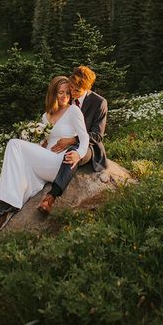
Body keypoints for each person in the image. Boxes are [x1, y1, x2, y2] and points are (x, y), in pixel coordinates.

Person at [0, 76, 89, 246]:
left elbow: (84, 139)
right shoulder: (45, 116)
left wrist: (78, 153)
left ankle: (6, 204)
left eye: (67, 93)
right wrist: (40, 142)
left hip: (58, 162)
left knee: (14, 145)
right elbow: (41, 146)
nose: (64, 96)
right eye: (60, 92)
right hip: (44, 162)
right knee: (19, 174)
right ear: (53, 94)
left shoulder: (74, 111)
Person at [37, 65, 108, 215]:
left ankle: (51, 196)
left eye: (78, 90)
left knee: (72, 153)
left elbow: (97, 135)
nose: (73, 93)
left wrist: (72, 140)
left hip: (89, 147)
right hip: (60, 145)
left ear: (88, 88)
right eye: (72, 88)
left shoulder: (99, 103)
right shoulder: (65, 99)